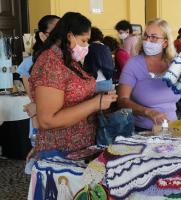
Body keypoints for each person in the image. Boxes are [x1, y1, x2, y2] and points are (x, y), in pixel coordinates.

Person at [28, 12, 117, 159]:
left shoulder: (67, 60)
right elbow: (47, 120)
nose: (86, 46)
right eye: (83, 41)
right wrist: (95, 103)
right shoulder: (50, 64)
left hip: (80, 147)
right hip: (59, 150)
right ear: (69, 36)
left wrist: (100, 99)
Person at [117, 18, 181, 131]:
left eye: (154, 37)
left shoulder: (174, 64)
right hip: (143, 131)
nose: (147, 40)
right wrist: (148, 112)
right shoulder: (134, 64)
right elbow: (122, 100)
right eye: (146, 36)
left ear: (165, 42)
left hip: (173, 128)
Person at [17, 15, 60, 152]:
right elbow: (34, 102)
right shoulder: (30, 63)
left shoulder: (67, 60)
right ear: (42, 35)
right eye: (54, 32)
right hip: (45, 126)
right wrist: (36, 133)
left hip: (68, 125)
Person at [83, 27, 114, 92]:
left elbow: (90, 67)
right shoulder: (106, 47)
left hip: (97, 82)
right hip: (109, 80)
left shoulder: (90, 48)